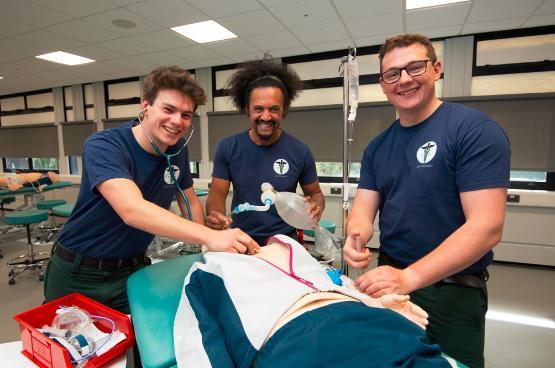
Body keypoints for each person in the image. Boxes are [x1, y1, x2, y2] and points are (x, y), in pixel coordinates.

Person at [343, 33, 510, 368]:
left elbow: (486, 227)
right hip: (391, 280)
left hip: (452, 291)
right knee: (396, 360)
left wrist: (410, 277)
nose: (404, 79)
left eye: (414, 68)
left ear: (436, 69)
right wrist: (355, 237)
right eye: (393, 73)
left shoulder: (473, 130)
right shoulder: (377, 148)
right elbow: (363, 208)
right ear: (383, 84)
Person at [44, 66, 257, 314]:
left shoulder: (177, 151)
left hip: (131, 271)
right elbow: (132, 210)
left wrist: (207, 248)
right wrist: (210, 236)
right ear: (146, 105)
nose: (177, 121)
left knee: (139, 346)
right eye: (168, 109)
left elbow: (190, 201)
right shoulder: (105, 145)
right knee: (71, 346)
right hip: (78, 271)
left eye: (186, 115)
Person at [174, 234, 460, 368]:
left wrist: (374, 304)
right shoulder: (211, 268)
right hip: (296, 340)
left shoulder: (296, 252)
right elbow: (200, 337)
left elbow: (338, 283)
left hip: (370, 322)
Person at [206, 58, 325, 246]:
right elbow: (217, 196)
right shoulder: (228, 147)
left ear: (284, 110)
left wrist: (316, 206)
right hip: (240, 238)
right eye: (258, 109)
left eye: (274, 109)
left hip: (283, 240)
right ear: (247, 109)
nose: (266, 116)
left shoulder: (300, 151)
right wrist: (216, 216)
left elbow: (316, 193)